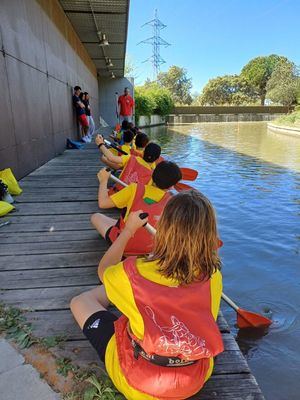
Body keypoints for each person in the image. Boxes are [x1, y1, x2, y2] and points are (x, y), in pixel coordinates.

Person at [70, 190, 224, 400]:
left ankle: (116, 295)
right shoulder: (213, 277)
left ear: (164, 228)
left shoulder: (132, 271)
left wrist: (129, 230)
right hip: (193, 378)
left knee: (81, 301)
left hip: (141, 384)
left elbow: (103, 270)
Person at [91, 161, 182, 255]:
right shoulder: (173, 202)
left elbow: (103, 203)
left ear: (152, 174)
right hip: (152, 249)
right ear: (171, 186)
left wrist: (103, 181)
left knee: (96, 217)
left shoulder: (134, 188)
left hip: (123, 245)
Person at [95, 134, 161, 191]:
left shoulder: (130, 157)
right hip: (130, 200)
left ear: (143, 152)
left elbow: (111, 158)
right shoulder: (152, 175)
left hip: (117, 191)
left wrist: (100, 144)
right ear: (157, 159)